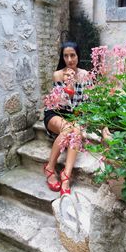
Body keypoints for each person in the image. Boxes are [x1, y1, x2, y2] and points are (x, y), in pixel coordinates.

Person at [43, 41, 89, 196]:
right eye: (66, 56)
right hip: (56, 113)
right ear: (62, 57)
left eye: (72, 55)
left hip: (75, 115)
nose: (69, 59)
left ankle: (66, 175)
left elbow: (86, 103)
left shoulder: (85, 75)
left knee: (75, 132)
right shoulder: (58, 74)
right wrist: (68, 85)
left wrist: (79, 119)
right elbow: (60, 103)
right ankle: (50, 168)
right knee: (69, 129)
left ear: (78, 56)